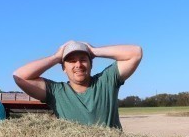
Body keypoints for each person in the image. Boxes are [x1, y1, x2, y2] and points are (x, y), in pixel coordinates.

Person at [12, 40, 142, 129]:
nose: (78, 65)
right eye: (72, 61)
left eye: (83, 60)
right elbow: (20, 76)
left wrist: (94, 51)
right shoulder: (56, 92)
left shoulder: (106, 81)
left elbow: (136, 53)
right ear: (63, 68)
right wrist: (56, 57)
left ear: (91, 64)